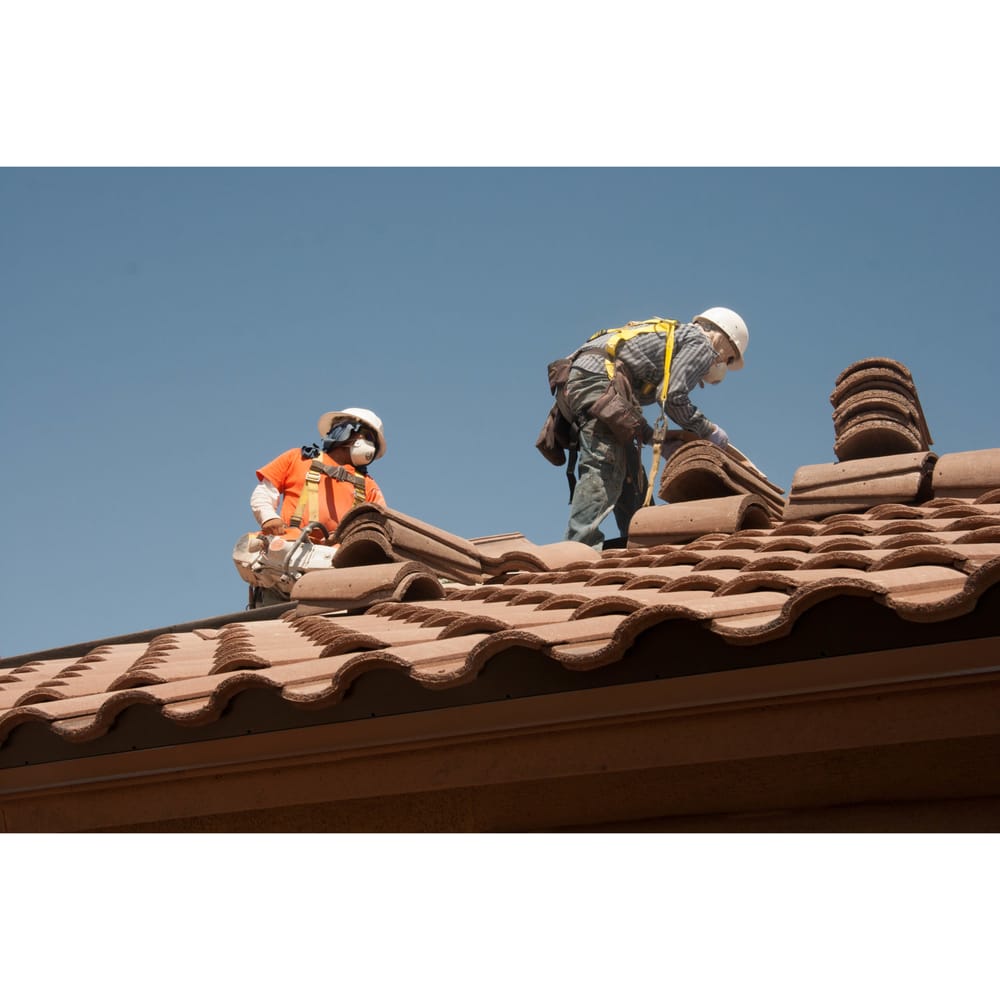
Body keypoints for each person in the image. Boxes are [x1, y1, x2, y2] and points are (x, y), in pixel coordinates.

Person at [558, 307, 749, 549]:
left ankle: (643, 541)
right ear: (726, 338)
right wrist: (707, 429)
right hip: (597, 381)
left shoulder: (673, 338)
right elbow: (672, 396)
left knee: (630, 473)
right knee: (606, 465)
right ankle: (577, 548)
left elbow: (625, 404)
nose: (721, 361)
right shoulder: (702, 343)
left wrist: (653, 437)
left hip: (586, 381)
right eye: (728, 358)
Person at [251, 406, 388, 544]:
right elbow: (264, 493)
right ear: (344, 430)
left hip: (337, 556)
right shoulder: (297, 458)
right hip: (291, 545)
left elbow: (380, 524)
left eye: (374, 442)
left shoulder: (368, 484)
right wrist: (269, 518)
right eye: (368, 436)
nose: (371, 446)